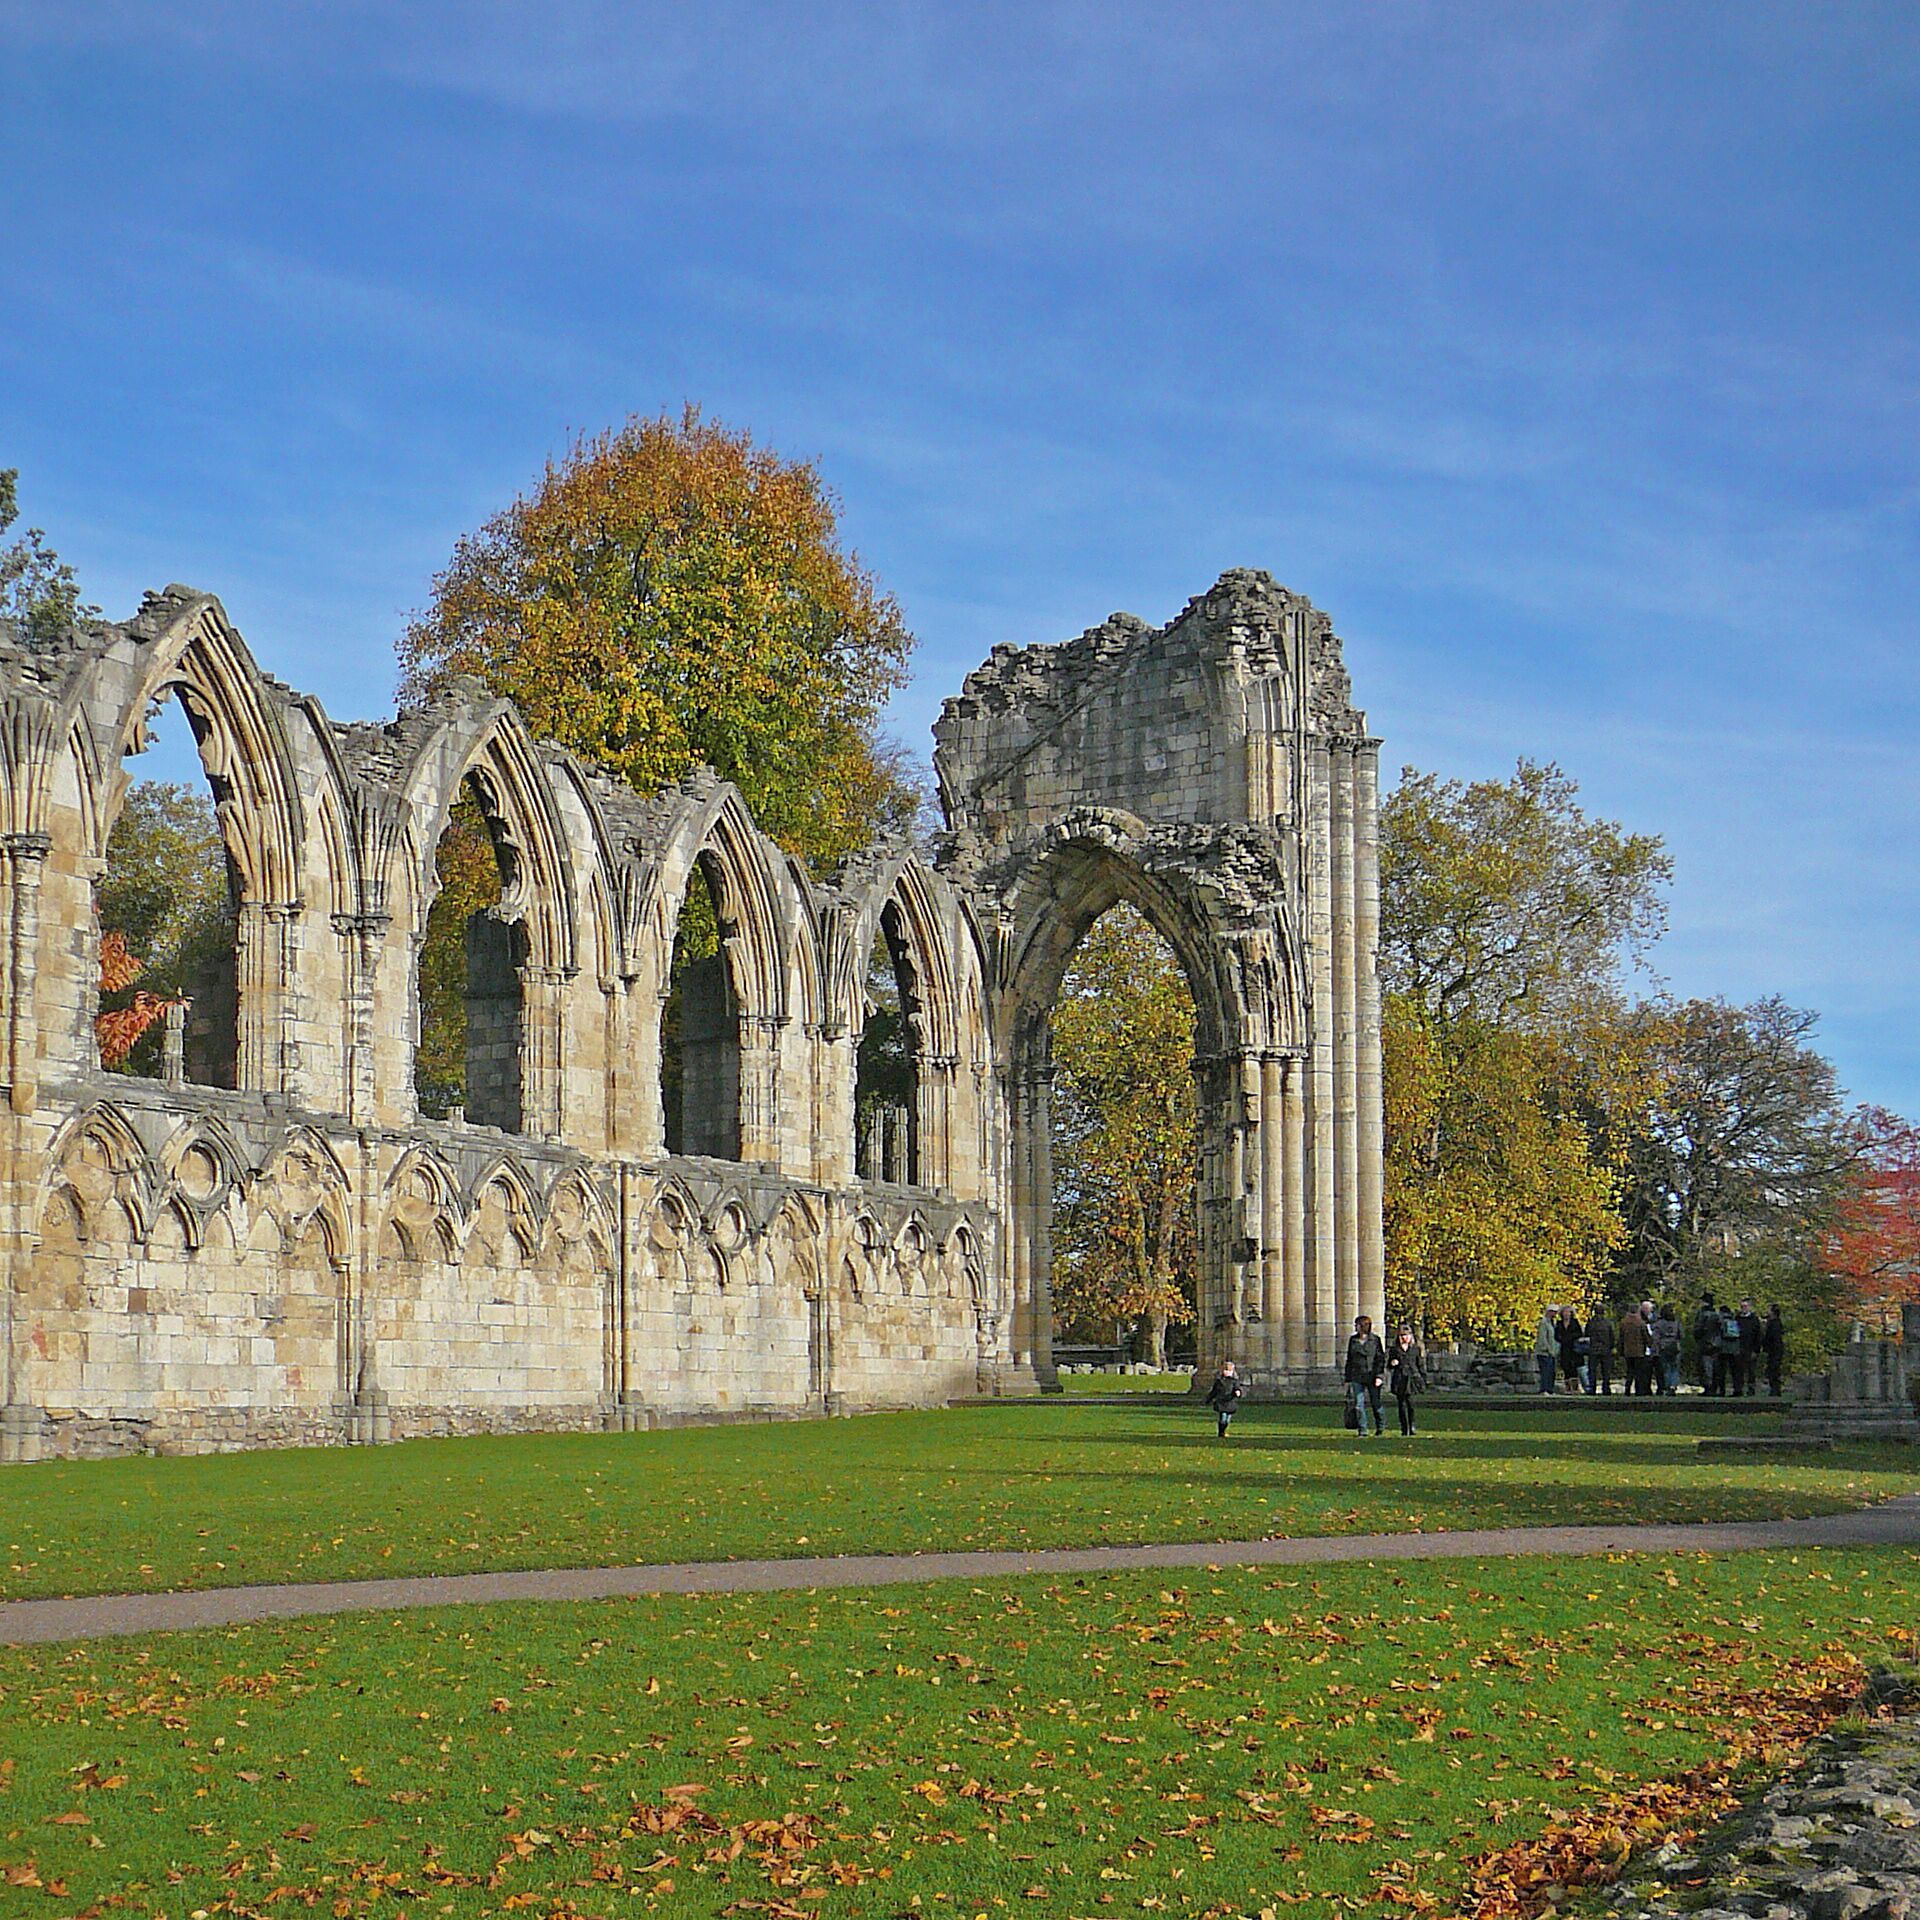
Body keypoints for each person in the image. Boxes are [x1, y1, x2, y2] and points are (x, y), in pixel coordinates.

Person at [1343, 1314, 1387, 1437]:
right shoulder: (1353, 1340)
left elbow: (1380, 1359)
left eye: (1357, 1325)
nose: (1355, 1327)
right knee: (1358, 1404)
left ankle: (1381, 1426)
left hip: (1372, 1376)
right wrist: (1347, 1378)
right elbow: (1350, 1360)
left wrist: (1379, 1376)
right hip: (1357, 1376)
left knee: (1376, 1403)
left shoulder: (1375, 1340)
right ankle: (1363, 1429)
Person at [1388, 1326, 1426, 1435]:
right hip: (1399, 1379)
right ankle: (1404, 1428)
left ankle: (1412, 1426)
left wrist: (1423, 1379)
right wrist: (1392, 1363)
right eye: (1402, 1336)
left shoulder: (1415, 1349)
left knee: (1411, 1404)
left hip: (1411, 1378)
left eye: (1407, 1335)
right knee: (1401, 1405)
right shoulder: (1394, 1350)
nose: (1405, 1338)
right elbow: (1389, 1365)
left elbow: (1420, 1365)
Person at [1693, 1294, 1725, 1396]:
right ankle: (1715, 1387)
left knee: (1705, 1366)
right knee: (1716, 1367)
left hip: (1705, 1343)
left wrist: (1698, 1337)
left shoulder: (1702, 1314)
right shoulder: (1717, 1314)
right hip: (1717, 1343)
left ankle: (1708, 1387)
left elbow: (1698, 1329)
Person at [1205, 1359, 1244, 1439]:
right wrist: (1208, 1399)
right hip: (1221, 1402)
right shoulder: (1219, 1381)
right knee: (1223, 1418)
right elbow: (1214, 1391)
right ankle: (1221, 1432)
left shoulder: (1234, 1381)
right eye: (1225, 1370)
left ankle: (1224, 1430)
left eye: (1229, 1370)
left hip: (1230, 1402)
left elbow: (1237, 1388)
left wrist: (1238, 1393)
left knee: (1227, 1420)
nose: (1227, 1372)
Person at [1732, 1299, 1763, 1398]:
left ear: (1749, 1307)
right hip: (1738, 1348)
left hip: (1750, 1349)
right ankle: (1738, 1390)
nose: (1743, 1308)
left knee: (1751, 1371)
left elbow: (1759, 1336)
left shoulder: (1754, 1320)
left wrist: (1756, 1350)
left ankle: (1751, 1390)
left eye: (1745, 1306)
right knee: (1738, 1371)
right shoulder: (1736, 1319)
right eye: (1742, 1306)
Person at [1620, 1303, 1650, 1397]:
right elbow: (1646, 1337)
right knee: (1639, 1373)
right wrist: (1650, 1344)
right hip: (1639, 1351)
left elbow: (1621, 1338)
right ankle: (1639, 1390)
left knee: (1629, 1371)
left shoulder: (1623, 1322)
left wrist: (1620, 1349)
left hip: (1627, 1351)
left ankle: (1627, 1389)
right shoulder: (1640, 1323)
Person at [1653, 1302, 1682, 1395]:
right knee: (1675, 1368)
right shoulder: (1677, 1322)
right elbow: (1681, 1335)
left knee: (1666, 1368)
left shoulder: (1659, 1323)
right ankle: (1673, 1385)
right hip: (1675, 1346)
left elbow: (1655, 1337)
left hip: (1664, 1347)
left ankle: (1667, 1386)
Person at [1586, 1307, 1616, 1395]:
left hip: (1593, 1349)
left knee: (1592, 1371)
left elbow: (1587, 1334)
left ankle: (1592, 1388)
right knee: (1606, 1371)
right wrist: (1611, 1346)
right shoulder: (1608, 1323)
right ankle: (1606, 1388)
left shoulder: (1591, 1323)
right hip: (1605, 1349)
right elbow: (1612, 1337)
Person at [1558, 1307, 1587, 1394]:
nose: (1566, 1314)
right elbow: (1557, 1335)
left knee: (1574, 1368)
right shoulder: (1559, 1323)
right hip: (1564, 1349)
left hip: (1574, 1349)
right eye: (1565, 1312)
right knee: (1566, 1368)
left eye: (1568, 1312)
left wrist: (1569, 1338)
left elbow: (1579, 1334)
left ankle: (1575, 1388)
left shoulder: (1575, 1322)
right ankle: (1567, 1388)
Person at [1533, 1308, 1560, 1394]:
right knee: (1545, 1371)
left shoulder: (1552, 1323)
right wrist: (1547, 1349)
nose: (1555, 1314)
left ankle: (1550, 1389)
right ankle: (1544, 1389)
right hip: (1544, 1353)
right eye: (1553, 1312)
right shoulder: (1544, 1323)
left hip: (1551, 1352)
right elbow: (1542, 1338)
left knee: (1551, 1372)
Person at [1762, 1305, 1787, 1397]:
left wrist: (1767, 1345)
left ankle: (1775, 1389)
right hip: (1774, 1350)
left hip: (1775, 1350)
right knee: (1772, 1369)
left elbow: (1772, 1337)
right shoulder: (1773, 1323)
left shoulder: (1774, 1324)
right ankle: (1774, 1389)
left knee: (1774, 1370)